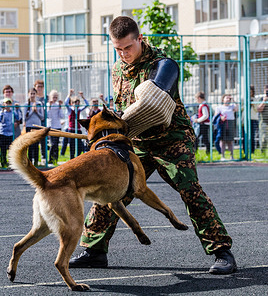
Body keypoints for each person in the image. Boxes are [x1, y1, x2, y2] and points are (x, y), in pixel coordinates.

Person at [69, 16, 236, 275]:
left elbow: (152, 101)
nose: (124, 54)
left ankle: (221, 251)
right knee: (109, 189)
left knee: (190, 191)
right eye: (118, 49)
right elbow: (123, 107)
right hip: (137, 143)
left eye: (128, 47)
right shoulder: (117, 69)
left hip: (172, 140)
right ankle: (94, 250)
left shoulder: (164, 65)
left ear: (140, 39)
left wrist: (119, 124)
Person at [60, 89, 89, 159]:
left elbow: (87, 104)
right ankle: (71, 158)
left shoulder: (79, 110)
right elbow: (66, 103)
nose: (77, 104)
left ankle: (77, 157)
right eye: (75, 103)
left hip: (78, 129)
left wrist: (83, 97)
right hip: (71, 130)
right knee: (72, 146)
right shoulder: (70, 109)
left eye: (78, 103)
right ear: (72, 103)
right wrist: (69, 95)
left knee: (80, 146)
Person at [23, 88, 44, 166]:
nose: (32, 95)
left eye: (34, 94)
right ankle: (30, 161)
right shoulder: (26, 104)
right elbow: (25, 117)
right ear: (28, 94)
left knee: (36, 145)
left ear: (36, 94)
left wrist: (37, 111)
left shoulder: (39, 103)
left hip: (37, 126)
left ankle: (36, 161)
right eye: (31, 93)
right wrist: (32, 110)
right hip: (29, 126)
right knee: (30, 145)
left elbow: (42, 117)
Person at [214, 94, 238, 160]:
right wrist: (221, 117)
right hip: (222, 124)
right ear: (223, 99)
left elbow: (236, 109)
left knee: (230, 140)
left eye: (229, 99)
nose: (228, 100)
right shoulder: (219, 107)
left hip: (230, 123)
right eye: (226, 98)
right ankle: (222, 156)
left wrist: (234, 100)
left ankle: (232, 156)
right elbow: (216, 116)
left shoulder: (232, 106)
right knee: (223, 140)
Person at [0, 98, 17, 168]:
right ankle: (3, 162)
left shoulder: (13, 112)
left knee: (10, 149)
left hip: (10, 133)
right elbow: (0, 121)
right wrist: (2, 112)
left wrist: (17, 110)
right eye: (6, 103)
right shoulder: (1, 112)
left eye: (9, 103)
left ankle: (10, 163)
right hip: (3, 133)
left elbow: (18, 118)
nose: (8, 105)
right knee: (3, 149)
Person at [47, 90, 64, 165]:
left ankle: (55, 159)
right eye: (53, 97)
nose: (55, 98)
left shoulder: (58, 105)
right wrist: (49, 107)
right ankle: (50, 159)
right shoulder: (48, 104)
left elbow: (62, 116)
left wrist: (60, 107)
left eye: (56, 97)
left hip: (58, 126)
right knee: (53, 143)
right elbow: (48, 116)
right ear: (50, 97)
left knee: (56, 144)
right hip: (51, 126)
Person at [34, 79, 47, 162]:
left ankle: (44, 158)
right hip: (36, 121)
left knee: (44, 141)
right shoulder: (33, 98)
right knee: (35, 141)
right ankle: (35, 159)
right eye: (38, 87)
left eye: (41, 87)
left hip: (45, 121)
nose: (39, 88)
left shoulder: (47, 98)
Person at [257, 84, 268, 154]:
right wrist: (264, 101)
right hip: (264, 121)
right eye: (266, 91)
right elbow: (258, 109)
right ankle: (262, 152)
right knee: (264, 138)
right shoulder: (261, 99)